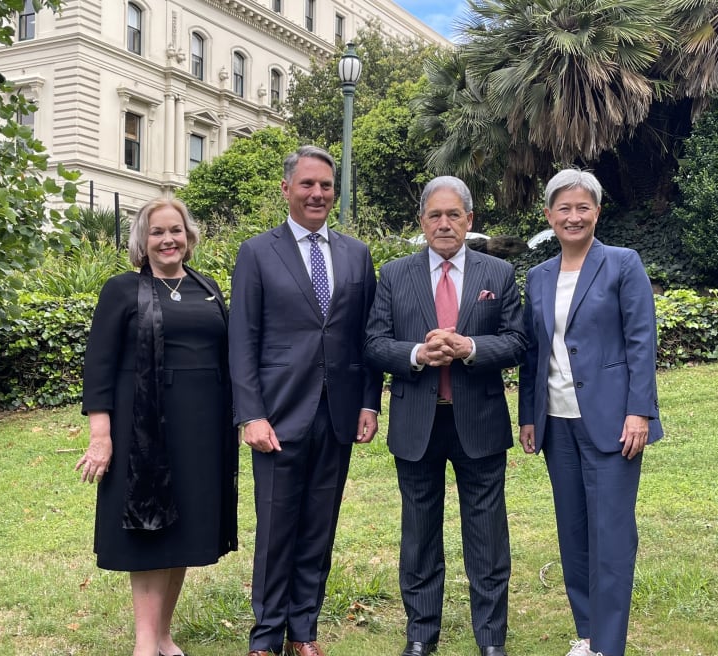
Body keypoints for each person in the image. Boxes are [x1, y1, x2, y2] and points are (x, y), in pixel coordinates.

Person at [229, 145, 382, 656]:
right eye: (308, 184)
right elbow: (242, 339)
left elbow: (367, 338)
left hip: (337, 414)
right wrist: (250, 413)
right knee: (275, 530)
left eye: (326, 185)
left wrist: (369, 402)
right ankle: (266, 636)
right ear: (286, 189)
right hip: (277, 415)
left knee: (319, 526)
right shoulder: (257, 252)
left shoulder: (356, 254)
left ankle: (304, 632)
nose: (318, 193)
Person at [364, 175, 527, 656]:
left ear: (470, 220)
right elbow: (374, 343)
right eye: (434, 215)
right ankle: (420, 635)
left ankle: (491, 639)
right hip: (418, 421)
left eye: (454, 214)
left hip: (479, 421)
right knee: (418, 534)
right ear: (421, 222)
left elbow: (518, 341)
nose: (444, 223)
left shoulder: (497, 273)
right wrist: (418, 353)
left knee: (487, 535)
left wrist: (470, 347)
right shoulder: (395, 275)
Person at [75, 197, 238, 656]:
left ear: (189, 237)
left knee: (184, 528)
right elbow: (99, 366)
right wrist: (100, 436)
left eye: (176, 230)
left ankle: (165, 634)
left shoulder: (208, 288)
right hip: (142, 427)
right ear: (142, 242)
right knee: (148, 527)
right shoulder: (122, 289)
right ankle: (145, 643)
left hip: (203, 429)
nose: (168, 239)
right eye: (157, 232)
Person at [517, 169, 663, 656]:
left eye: (583, 207)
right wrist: (529, 416)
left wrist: (639, 411)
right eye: (564, 208)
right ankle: (587, 635)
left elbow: (642, 342)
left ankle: (610, 645)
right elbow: (533, 353)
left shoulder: (622, 264)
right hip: (557, 424)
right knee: (573, 534)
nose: (573, 216)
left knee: (612, 537)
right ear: (549, 216)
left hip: (613, 423)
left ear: (597, 212)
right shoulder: (538, 277)